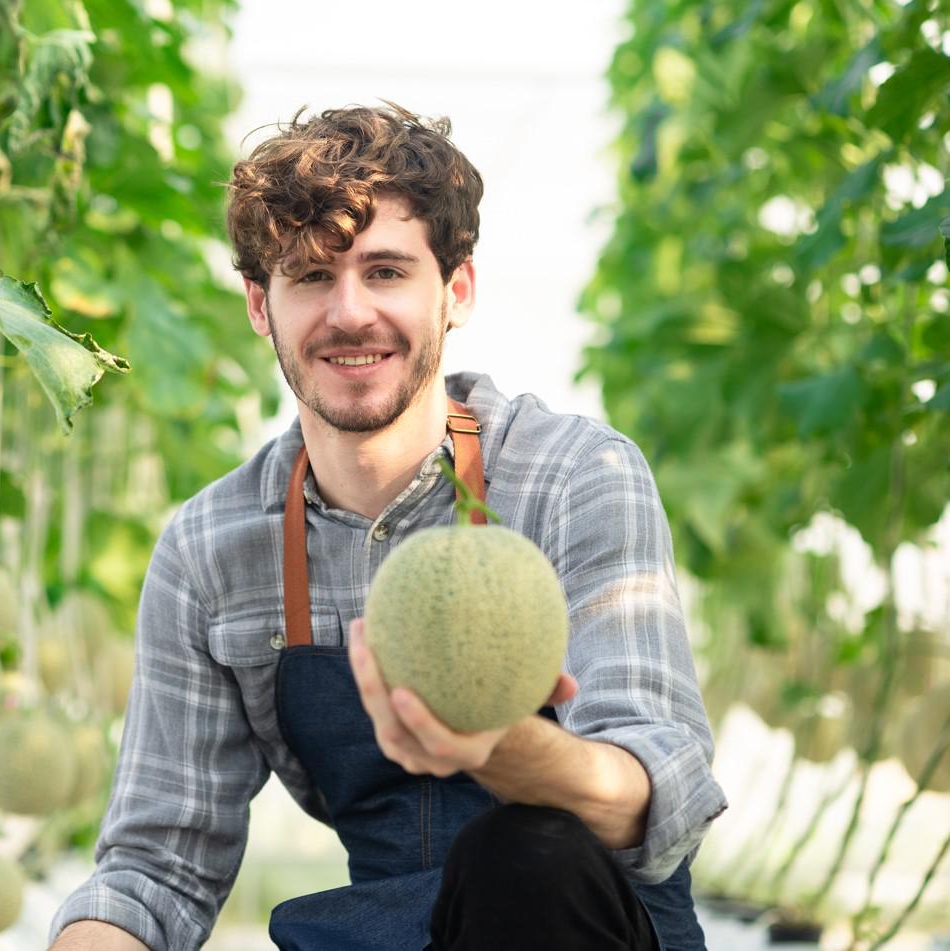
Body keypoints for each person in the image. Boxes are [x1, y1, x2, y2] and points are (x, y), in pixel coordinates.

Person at [48, 103, 727, 951]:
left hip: (587, 921)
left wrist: (495, 747)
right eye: (309, 276)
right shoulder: (210, 550)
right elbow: (156, 867)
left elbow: (655, 793)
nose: (350, 312)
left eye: (385, 271)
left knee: (526, 855)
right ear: (261, 305)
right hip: (384, 932)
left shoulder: (575, 478)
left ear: (457, 291)